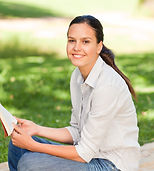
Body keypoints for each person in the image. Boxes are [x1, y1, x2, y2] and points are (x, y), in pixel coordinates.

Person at [8, 15, 140, 171]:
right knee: (18, 147)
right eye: (72, 40)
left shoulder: (108, 85)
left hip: (112, 165)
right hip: (90, 156)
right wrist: (36, 129)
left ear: (99, 46)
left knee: (30, 163)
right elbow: (77, 131)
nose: (77, 47)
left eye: (85, 41)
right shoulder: (77, 76)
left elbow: (83, 153)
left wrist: (34, 145)